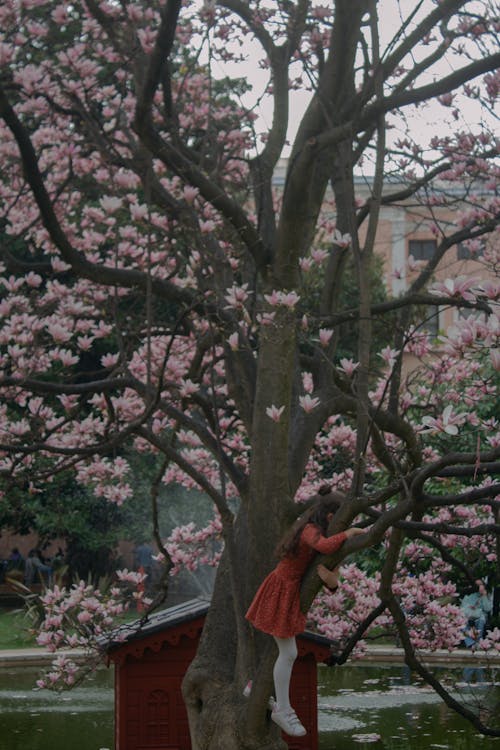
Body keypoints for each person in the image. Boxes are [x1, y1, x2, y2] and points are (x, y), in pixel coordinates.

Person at [245, 488, 367, 737]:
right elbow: (324, 545)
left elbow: (328, 569)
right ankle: (282, 708)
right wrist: (349, 533)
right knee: (288, 652)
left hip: (286, 590)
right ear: (330, 515)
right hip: (281, 589)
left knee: (286, 651)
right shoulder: (311, 530)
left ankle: (259, 690)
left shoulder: (314, 528)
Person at [461, 579, 492, 647]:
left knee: (480, 621)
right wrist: (471, 609)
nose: (479, 586)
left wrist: (484, 596)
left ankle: (478, 642)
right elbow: (463, 609)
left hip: (480, 617)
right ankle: (471, 643)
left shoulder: (486, 595)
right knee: (461, 625)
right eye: (477, 585)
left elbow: (487, 609)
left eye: (480, 584)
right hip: (468, 616)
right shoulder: (469, 596)